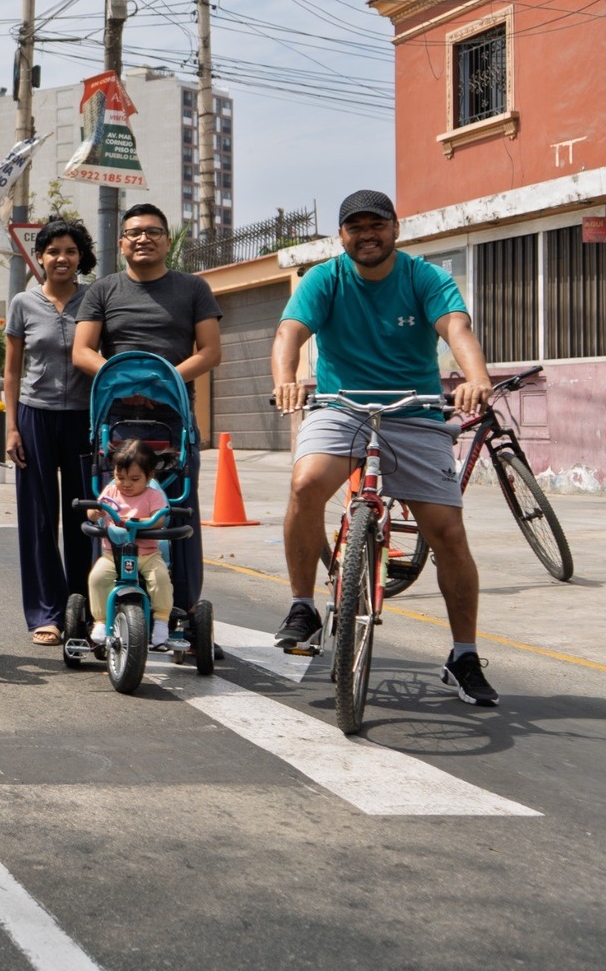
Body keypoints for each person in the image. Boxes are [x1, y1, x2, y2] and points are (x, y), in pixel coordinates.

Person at [269, 189, 499, 705]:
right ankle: (303, 605)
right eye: (355, 227)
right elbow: (289, 332)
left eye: (377, 225)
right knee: (306, 485)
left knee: (448, 533)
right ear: (342, 235)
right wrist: (286, 377)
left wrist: (476, 375)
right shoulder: (324, 279)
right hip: (340, 407)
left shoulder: (425, 278)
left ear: (396, 228)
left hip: (415, 412)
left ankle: (463, 655)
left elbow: (455, 326)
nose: (366, 235)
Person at [71, 202, 222, 615]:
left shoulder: (194, 289)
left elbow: (210, 352)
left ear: (167, 241)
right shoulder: (103, 290)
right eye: (134, 232)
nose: (143, 238)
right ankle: (104, 611)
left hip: (174, 419)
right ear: (121, 242)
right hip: (116, 420)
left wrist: (161, 383)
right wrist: (127, 382)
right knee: (114, 512)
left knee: (175, 514)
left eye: (153, 231)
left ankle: (184, 610)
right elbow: (82, 352)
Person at [4, 218, 96, 646]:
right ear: (39, 256)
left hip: (83, 420)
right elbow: (11, 369)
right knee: (39, 520)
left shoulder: (95, 299)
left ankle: (83, 610)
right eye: (54, 250)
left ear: (81, 257)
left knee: (85, 517)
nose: (62, 258)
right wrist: (11, 427)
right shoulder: (23, 302)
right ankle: (46, 613)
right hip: (34, 417)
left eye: (71, 251)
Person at [84, 440, 176, 648]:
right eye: (120, 477)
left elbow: (160, 519)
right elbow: (93, 512)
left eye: (134, 479)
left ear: (149, 476)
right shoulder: (111, 492)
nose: (126, 484)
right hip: (113, 555)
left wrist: (138, 522)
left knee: (161, 578)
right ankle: (100, 621)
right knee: (97, 578)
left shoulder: (152, 495)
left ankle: (161, 620)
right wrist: (94, 512)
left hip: (147, 555)